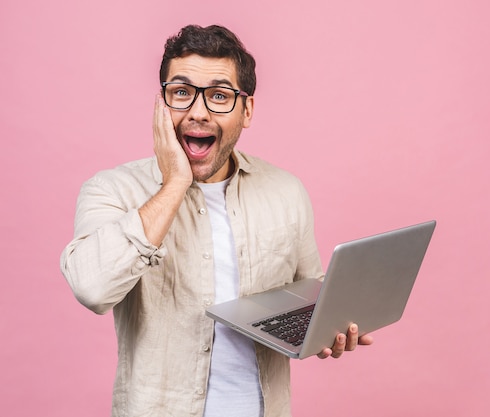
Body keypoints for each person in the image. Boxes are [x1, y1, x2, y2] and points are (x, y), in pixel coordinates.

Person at [60, 24, 373, 417]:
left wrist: (331, 326)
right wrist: (175, 183)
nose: (198, 112)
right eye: (181, 93)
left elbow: (308, 298)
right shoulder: (111, 190)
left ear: (247, 111)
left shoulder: (286, 191)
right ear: (161, 104)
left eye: (220, 96)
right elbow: (92, 287)